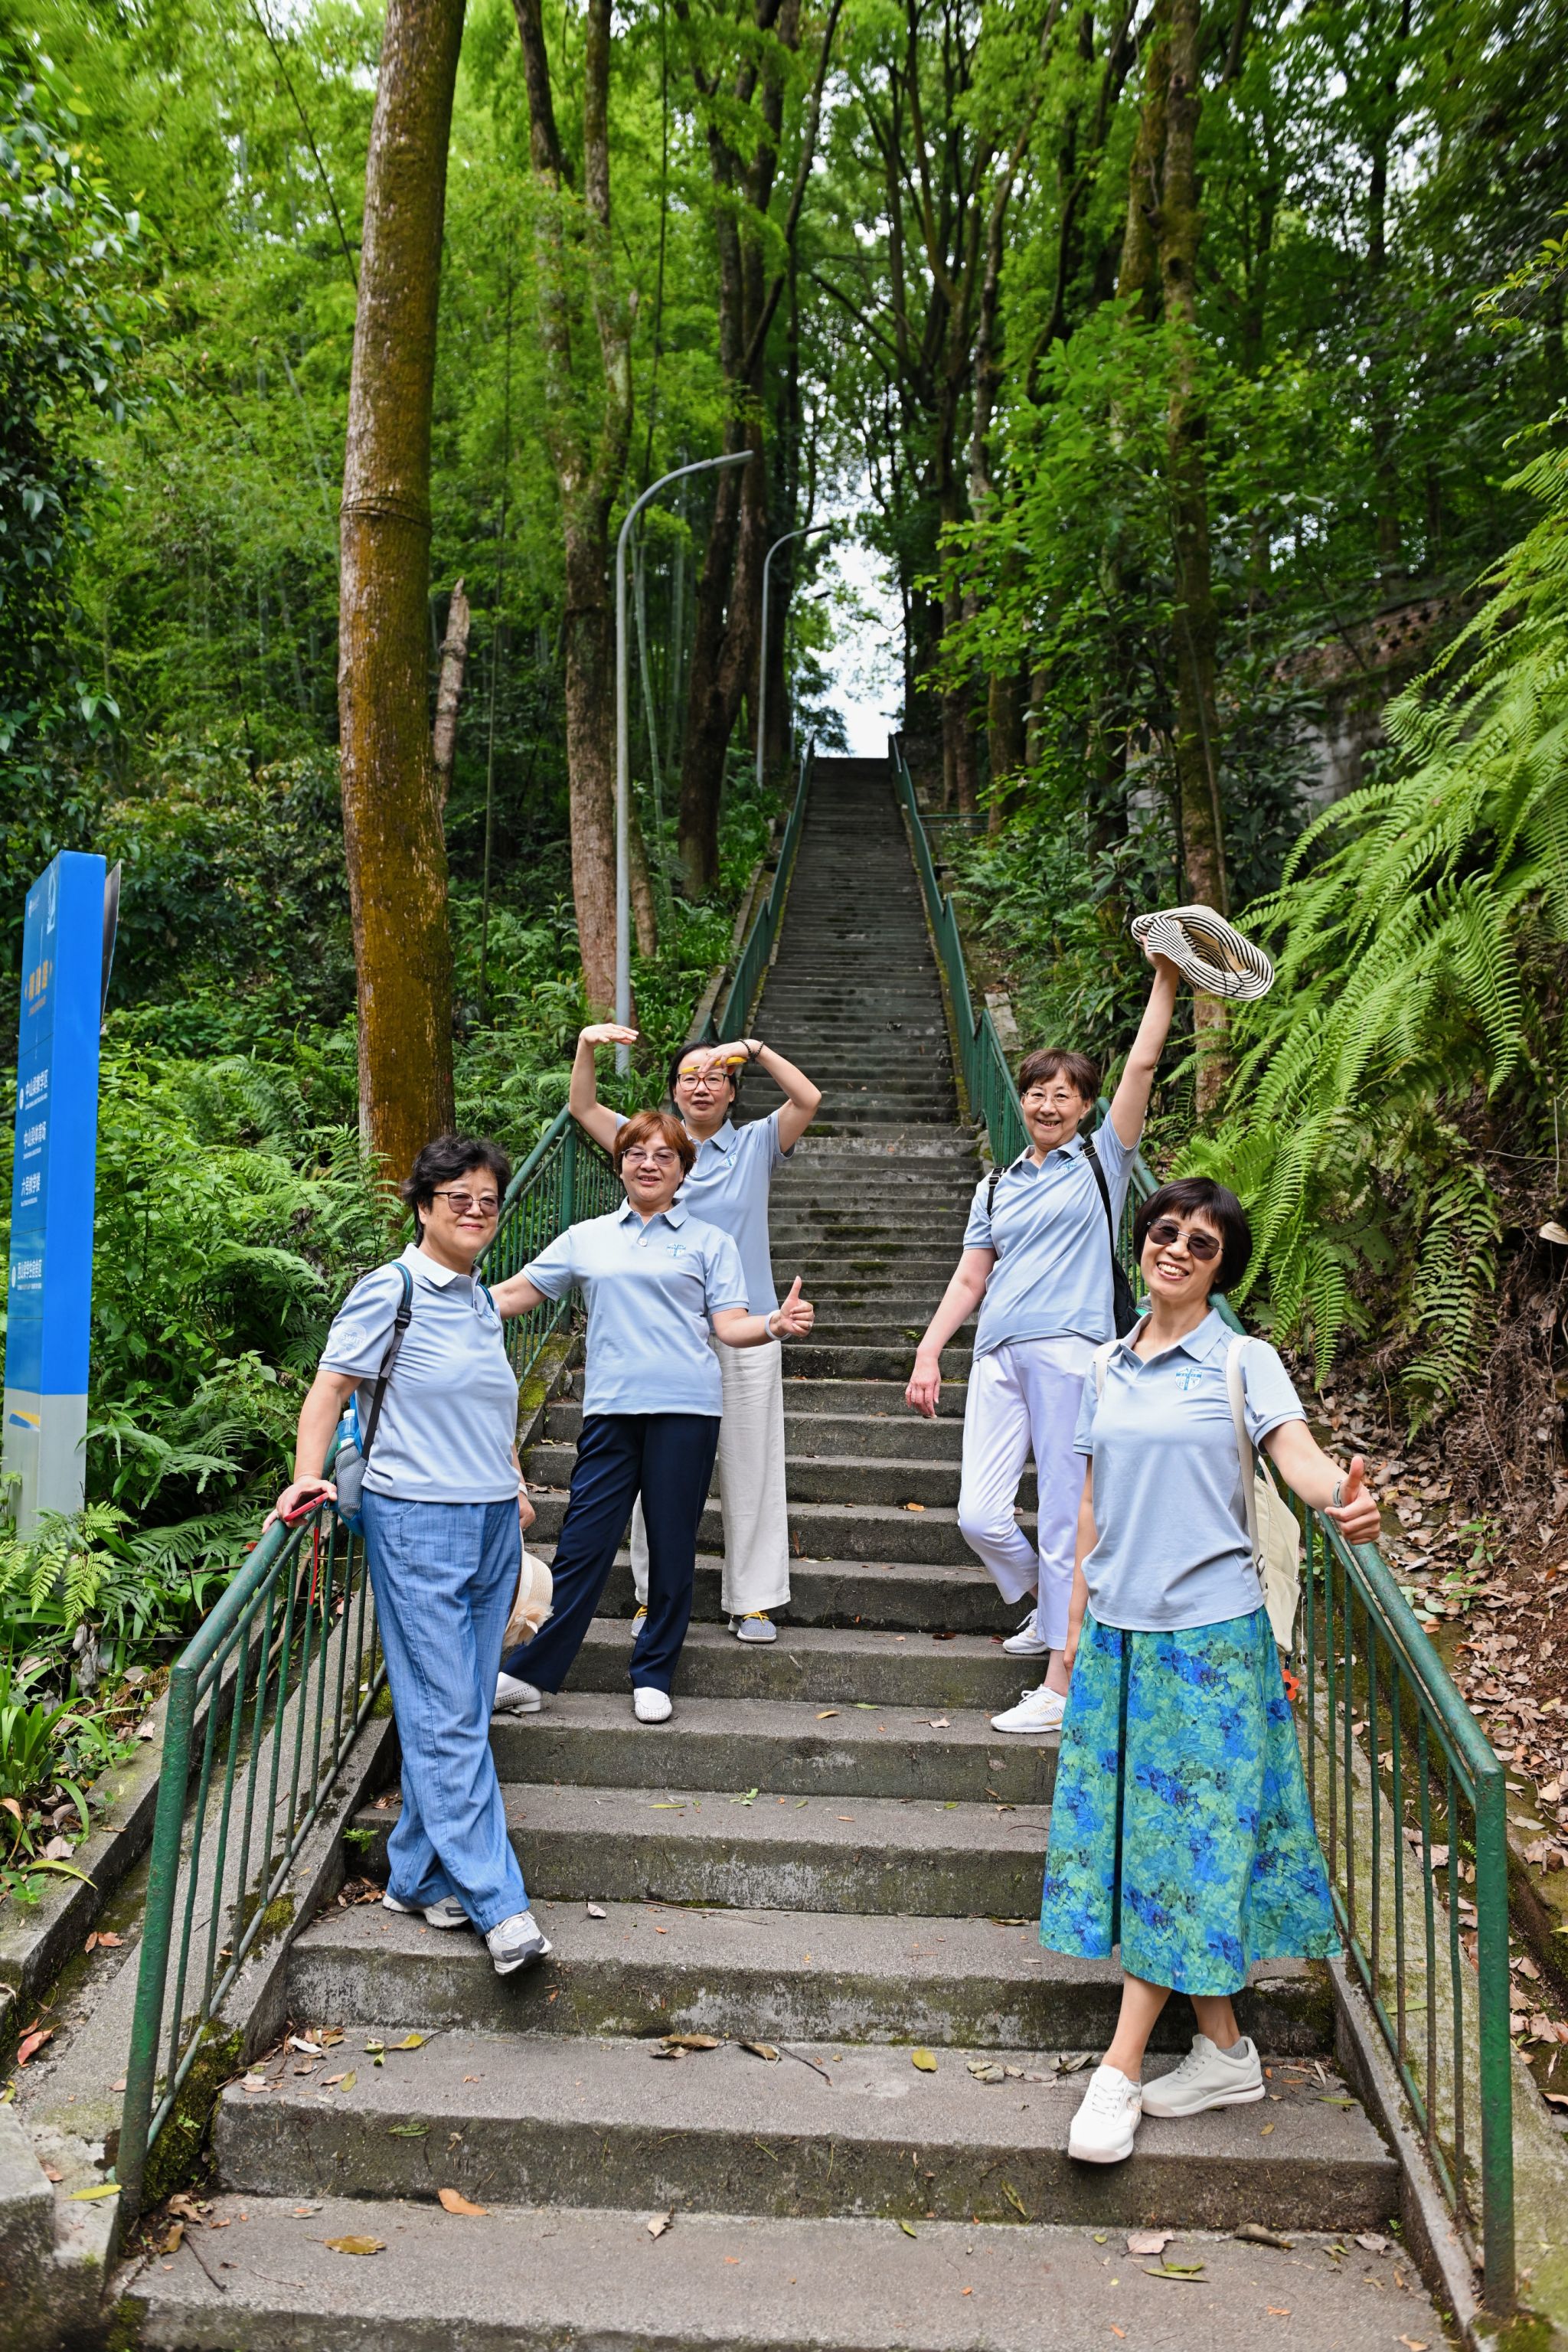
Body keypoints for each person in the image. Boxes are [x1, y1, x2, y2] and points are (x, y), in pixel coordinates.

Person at [1044, 1177, 1380, 2165]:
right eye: (1165, 1231)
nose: (1178, 1249)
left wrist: (1341, 1500)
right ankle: (1226, 2052)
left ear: (1220, 1268)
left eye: (1202, 1242)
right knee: (1155, 1848)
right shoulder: (1103, 1366)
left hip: (1211, 1644)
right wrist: (1073, 1634)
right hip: (1119, 1642)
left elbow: (1296, 1459)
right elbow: (1090, 1507)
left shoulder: (1241, 1359)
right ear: (1141, 1243)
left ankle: (1118, 2069)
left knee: (1179, 1848)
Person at [270, 1135, 550, 1980]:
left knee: (456, 1704)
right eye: (458, 1198)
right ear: (424, 1207)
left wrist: (512, 1481)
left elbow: (485, 1407)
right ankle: (499, 1905)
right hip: (417, 1518)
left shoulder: (478, 1302)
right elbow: (329, 1389)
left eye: (487, 1201)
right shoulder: (389, 1290)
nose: (476, 1211)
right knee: (447, 1714)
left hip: (490, 1520)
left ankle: (416, 1876)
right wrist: (307, 1478)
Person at [906, 952, 1181, 1735]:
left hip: (1072, 1350)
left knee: (1065, 1517)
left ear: (1087, 1107)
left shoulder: (1102, 1160)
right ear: (1020, 1100)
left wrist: (1165, 978)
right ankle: (1048, 1606)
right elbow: (970, 1277)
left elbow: (1142, 1065)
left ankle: (1061, 1684)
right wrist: (929, 1351)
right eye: (1035, 1091)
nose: (1047, 1103)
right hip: (997, 1352)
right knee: (978, 1515)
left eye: (1064, 1093)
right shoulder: (994, 1185)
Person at [489, 1109, 815, 1721]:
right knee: (583, 1545)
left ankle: (654, 1673)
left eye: (665, 1155)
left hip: (687, 1410)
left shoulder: (711, 1242)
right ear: (620, 1164)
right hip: (611, 1411)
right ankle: (532, 1675)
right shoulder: (588, 1237)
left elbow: (730, 1326)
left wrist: (774, 1323)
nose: (649, 1164)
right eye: (637, 1153)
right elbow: (513, 1294)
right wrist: (440, 1303)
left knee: (671, 1545)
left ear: (683, 1171)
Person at [567, 1023, 822, 1643]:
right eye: (689, 1077)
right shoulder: (651, 1147)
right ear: (673, 1091)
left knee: (751, 1462)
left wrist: (754, 1049)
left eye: (715, 1077)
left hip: (748, 1324)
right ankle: (651, 1597)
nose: (702, 1086)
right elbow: (583, 1106)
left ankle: (754, 1600)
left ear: (733, 1091)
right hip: (663, 1334)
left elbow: (808, 1098)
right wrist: (586, 1045)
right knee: (651, 1471)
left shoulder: (757, 1142)